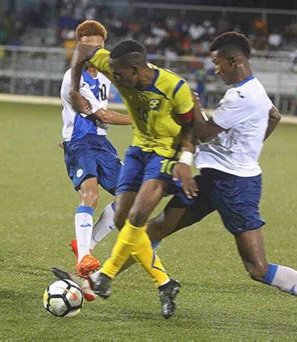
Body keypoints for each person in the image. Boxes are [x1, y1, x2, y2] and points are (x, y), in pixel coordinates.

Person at [136, 31, 297, 339]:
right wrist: (247, 150)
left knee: (258, 269)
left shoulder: (241, 97)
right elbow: (274, 116)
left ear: (235, 61)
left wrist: (192, 105)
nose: (216, 69)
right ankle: (96, 282)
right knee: (153, 230)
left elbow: (203, 132)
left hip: (236, 187)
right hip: (211, 180)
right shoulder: (253, 89)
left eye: (218, 63)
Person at [67, 39, 198, 319]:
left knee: (138, 216)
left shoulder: (175, 88)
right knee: (120, 219)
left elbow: (191, 126)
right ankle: (165, 283)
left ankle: (105, 276)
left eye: (119, 75)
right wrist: (73, 89)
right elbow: (82, 51)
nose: (114, 78)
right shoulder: (115, 64)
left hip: (165, 154)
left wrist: (185, 161)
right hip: (138, 149)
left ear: (137, 69)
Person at [60, 20, 131, 278]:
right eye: (88, 48)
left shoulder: (103, 75)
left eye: (99, 48)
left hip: (101, 143)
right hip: (80, 143)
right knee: (90, 194)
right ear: (79, 48)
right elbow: (103, 115)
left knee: (127, 198)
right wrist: (142, 119)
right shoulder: (73, 77)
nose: (94, 53)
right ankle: (84, 258)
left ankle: (86, 246)